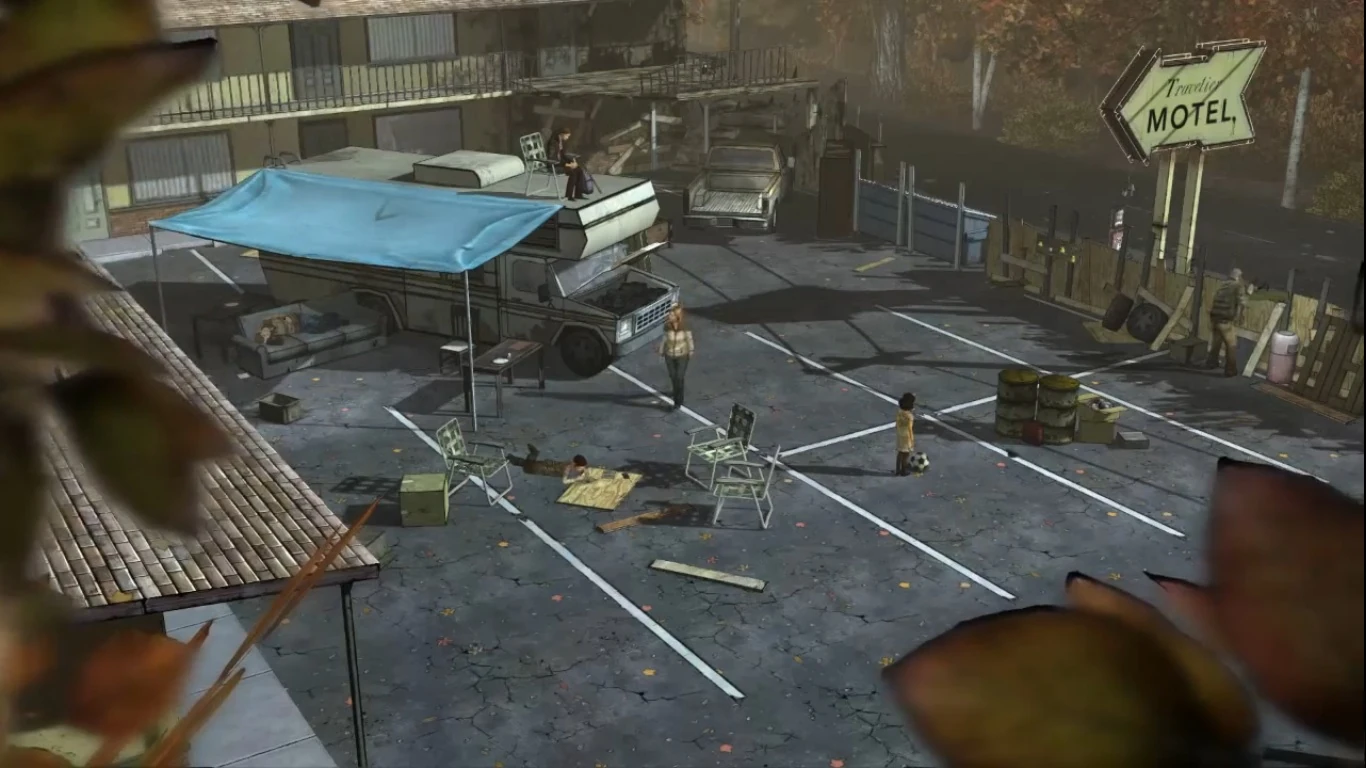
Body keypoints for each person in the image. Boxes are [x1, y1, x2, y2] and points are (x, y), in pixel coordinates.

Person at [1205, 267, 1249, 377]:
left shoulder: (1223, 285)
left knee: (1216, 342)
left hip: (1215, 318)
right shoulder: (1238, 286)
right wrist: (1240, 317)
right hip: (1225, 320)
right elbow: (1242, 303)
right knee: (1232, 345)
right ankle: (1230, 370)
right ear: (1238, 277)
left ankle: (1211, 363)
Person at [658, 304, 694, 410]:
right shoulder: (667, 326)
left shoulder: (685, 326)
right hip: (669, 355)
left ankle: (678, 400)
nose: (669, 316)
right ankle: (676, 392)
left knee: (679, 377)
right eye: (669, 315)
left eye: (672, 315)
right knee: (673, 377)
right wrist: (661, 349)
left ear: (677, 316)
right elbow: (665, 339)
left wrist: (691, 350)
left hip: (682, 355)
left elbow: (689, 339)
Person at [550, 127, 588, 201]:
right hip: (554, 165)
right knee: (573, 173)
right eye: (567, 136)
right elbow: (553, 158)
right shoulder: (553, 143)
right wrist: (567, 165)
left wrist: (571, 162)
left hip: (560, 163)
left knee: (579, 170)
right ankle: (569, 195)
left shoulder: (560, 142)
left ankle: (578, 194)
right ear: (562, 134)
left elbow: (562, 155)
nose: (568, 137)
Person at [895, 392, 916, 476]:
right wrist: (912, 440)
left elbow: (897, 424)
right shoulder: (910, 417)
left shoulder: (899, 412)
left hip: (900, 434)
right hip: (906, 437)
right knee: (906, 454)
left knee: (900, 453)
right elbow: (910, 429)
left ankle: (897, 470)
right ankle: (903, 471)